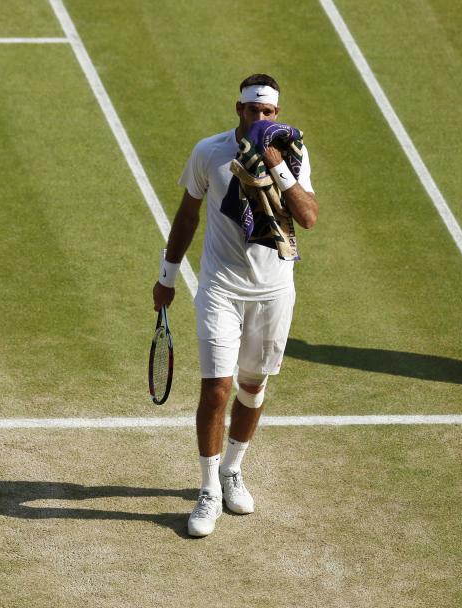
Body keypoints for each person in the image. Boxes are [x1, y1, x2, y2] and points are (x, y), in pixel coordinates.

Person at [152, 74, 319, 537]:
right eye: (252, 110)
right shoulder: (210, 152)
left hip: (273, 292)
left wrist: (278, 168)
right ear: (238, 109)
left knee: (253, 388)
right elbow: (187, 215)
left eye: (269, 112)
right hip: (221, 289)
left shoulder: (293, 153)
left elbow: (307, 217)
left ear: (276, 115)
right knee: (216, 390)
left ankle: (231, 470)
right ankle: (207, 490)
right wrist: (167, 277)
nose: (261, 118)